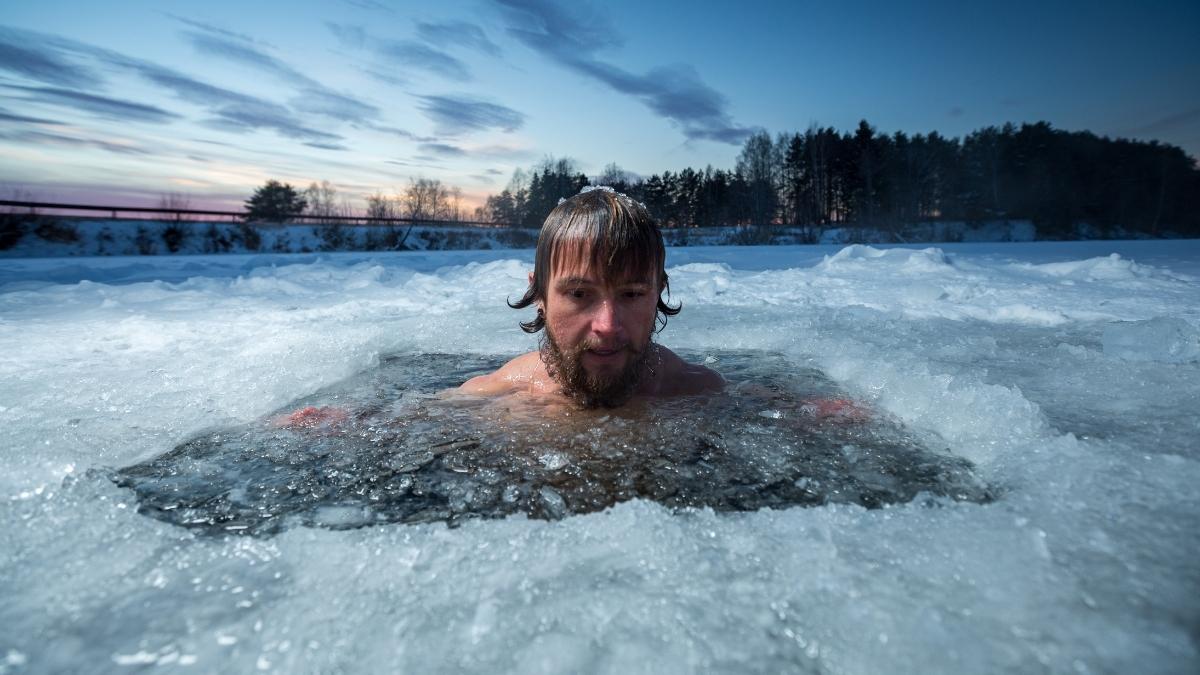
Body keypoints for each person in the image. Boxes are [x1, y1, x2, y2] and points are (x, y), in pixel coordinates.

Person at [458, 187, 723, 408]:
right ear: (539, 294)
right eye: (579, 294)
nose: (607, 326)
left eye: (631, 294)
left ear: (658, 293)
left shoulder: (704, 393)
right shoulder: (489, 397)